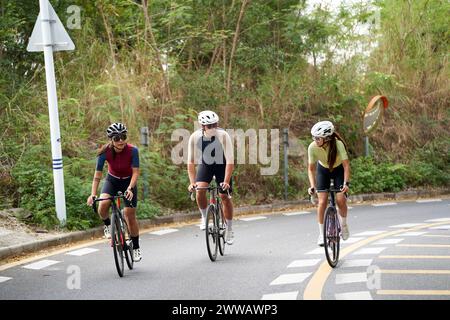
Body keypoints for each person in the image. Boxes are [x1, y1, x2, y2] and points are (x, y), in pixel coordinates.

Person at [86, 122, 142, 262]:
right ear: (111, 140)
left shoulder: (133, 150)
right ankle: (107, 225)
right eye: (117, 138)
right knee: (103, 204)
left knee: (130, 215)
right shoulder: (105, 152)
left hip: (129, 182)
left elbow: (136, 172)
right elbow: (97, 175)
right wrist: (93, 194)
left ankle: (135, 247)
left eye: (123, 136)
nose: (121, 140)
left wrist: (130, 188)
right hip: (112, 180)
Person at [187, 111, 236, 244]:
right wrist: (192, 183)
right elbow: (190, 162)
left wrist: (226, 181)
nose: (213, 128)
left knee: (224, 196)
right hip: (206, 165)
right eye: (209, 126)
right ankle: (204, 217)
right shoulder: (195, 137)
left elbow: (230, 161)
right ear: (202, 126)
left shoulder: (223, 135)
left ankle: (229, 229)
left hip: (223, 165)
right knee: (199, 190)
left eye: (215, 124)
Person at [307, 120, 351, 246]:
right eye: (314, 137)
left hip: (338, 170)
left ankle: (343, 225)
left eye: (318, 138)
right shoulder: (312, 147)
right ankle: (321, 234)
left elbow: (346, 166)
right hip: (323, 171)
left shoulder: (338, 145)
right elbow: (311, 169)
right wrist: (312, 186)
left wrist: (346, 183)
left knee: (340, 199)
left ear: (326, 138)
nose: (315, 140)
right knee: (322, 202)